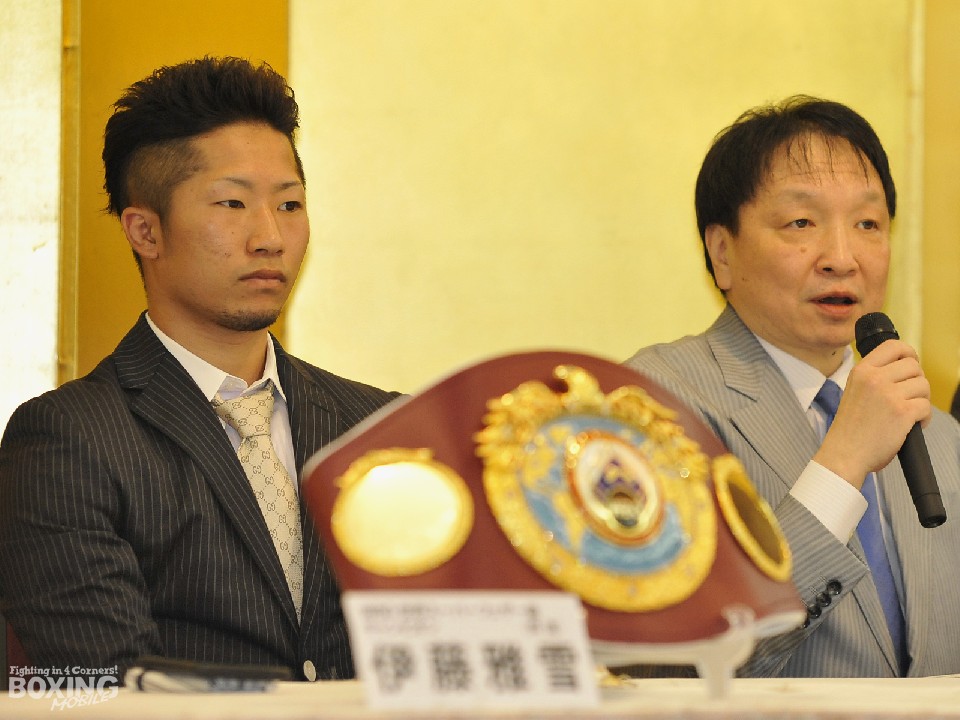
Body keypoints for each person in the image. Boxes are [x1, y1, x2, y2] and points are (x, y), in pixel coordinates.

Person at [0, 56, 400, 681]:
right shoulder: (68, 439)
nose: (269, 237)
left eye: (290, 204)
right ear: (145, 232)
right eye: (233, 203)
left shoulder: (380, 424)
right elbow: (111, 686)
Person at [625, 96, 960, 677]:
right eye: (801, 223)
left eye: (868, 224)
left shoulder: (938, 431)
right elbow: (677, 659)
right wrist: (844, 460)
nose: (842, 258)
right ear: (722, 253)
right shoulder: (652, 402)